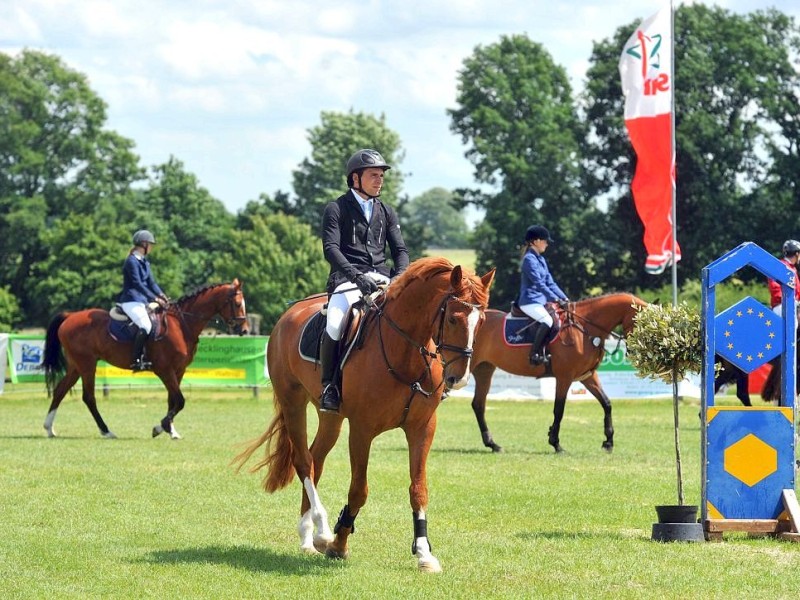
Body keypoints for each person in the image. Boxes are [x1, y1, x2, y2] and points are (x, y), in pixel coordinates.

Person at [318, 149, 410, 413]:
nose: (379, 180)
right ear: (355, 178)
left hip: (382, 278)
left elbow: (400, 251)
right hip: (346, 280)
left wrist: (401, 277)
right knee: (335, 323)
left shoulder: (387, 211)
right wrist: (356, 276)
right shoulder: (336, 208)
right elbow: (331, 249)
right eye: (373, 175)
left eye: (381, 175)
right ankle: (330, 387)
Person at [517, 225, 569, 365]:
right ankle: (534, 354)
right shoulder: (529, 260)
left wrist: (564, 298)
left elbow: (550, 283)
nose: (546, 244)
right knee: (548, 321)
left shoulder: (541, 260)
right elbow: (540, 284)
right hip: (529, 301)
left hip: (540, 301)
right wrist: (555, 299)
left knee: (559, 320)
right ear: (536, 241)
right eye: (545, 241)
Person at [118, 229, 168, 371]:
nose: (151, 248)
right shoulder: (131, 261)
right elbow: (137, 284)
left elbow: (151, 283)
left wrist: (162, 295)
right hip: (131, 301)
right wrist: (154, 298)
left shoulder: (145, 262)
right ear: (144, 244)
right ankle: (136, 360)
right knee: (145, 326)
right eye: (150, 245)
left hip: (142, 301)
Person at [768, 239, 800, 322]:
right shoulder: (782, 266)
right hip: (783, 305)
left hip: (790, 304)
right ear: (797, 254)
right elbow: (776, 289)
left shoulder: (790, 267)